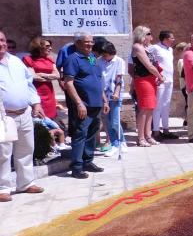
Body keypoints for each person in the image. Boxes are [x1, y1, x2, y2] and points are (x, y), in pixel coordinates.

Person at [0, 30, 45, 202]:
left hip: (24, 113)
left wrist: (36, 103)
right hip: (4, 116)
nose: (1, 44)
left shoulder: (16, 61)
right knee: (3, 154)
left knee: (26, 149)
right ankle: (2, 188)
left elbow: (29, 84)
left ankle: (25, 183)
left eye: (3, 40)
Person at [62, 32, 108, 178]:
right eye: (86, 42)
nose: (90, 44)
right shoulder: (72, 59)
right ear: (78, 43)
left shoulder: (93, 58)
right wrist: (79, 103)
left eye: (91, 42)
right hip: (83, 105)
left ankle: (88, 161)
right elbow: (68, 83)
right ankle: (76, 166)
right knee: (80, 134)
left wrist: (104, 100)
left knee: (92, 134)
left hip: (96, 104)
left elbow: (97, 79)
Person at [131, 26, 164, 147]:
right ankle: (140, 138)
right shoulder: (137, 47)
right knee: (144, 108)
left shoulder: (146, 48)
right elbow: (149, 66)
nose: (151, 37)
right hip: (143, 80)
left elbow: (154, 65)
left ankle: (148, 136)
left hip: (150, 80)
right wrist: (160, 77)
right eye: (149, 34)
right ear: (142, 35)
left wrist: (159, 76)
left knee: (150, 108)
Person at [98, 41, 126, 157]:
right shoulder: (98, 60)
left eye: (105, 55)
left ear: (111, 53)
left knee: (115, 121)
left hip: (115, 94)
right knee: (107, 122)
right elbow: (91, 64)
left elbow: (119, 78)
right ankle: (115, 143)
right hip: (103, 94)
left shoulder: (119, 61)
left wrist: (116, 93)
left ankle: (121, 142)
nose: (104, 57)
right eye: (102, 55)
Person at [23, 37, 59, 120]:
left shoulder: (50, 59)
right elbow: (34, 77)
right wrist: (50, 77)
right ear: (39, 46)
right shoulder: (28, 59)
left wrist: (42, 74)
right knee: (38, 119)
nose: (51, 48)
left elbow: (57, 75)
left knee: (51, 120)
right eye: (47, 46)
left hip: (49, 94)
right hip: (36, 93)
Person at [150, 30, 177, 140]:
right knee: (158, 106)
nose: (173, 40)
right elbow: (147, 59)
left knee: (166, 105)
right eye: (172, 38)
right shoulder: (155, 48)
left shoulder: (170, 49)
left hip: (169, 80)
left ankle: (166, 129)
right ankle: (156, 131)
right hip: (159, 81)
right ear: (165, 39)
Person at [175, 42, 188, 125]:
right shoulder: (181, 61)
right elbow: (183, 73)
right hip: (185, 85)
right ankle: (187, 119)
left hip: (186, 84)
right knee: (188, 102)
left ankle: (186, 120)